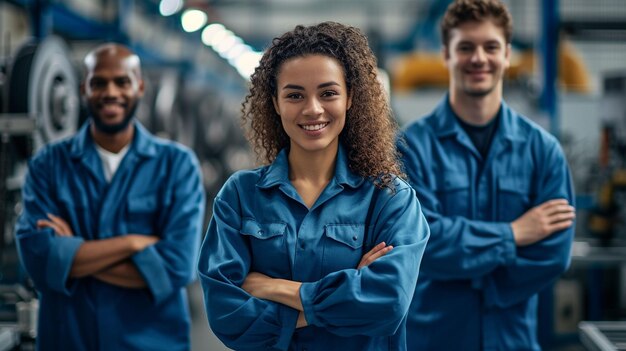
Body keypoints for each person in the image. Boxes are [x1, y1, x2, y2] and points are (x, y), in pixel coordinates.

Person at [197, 22, 429, 351]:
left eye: (328, 93)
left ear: (350, 98)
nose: (313, 109)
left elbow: (388, 303)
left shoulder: (390, 198)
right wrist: (350, 295)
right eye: (294, 95)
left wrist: (277, 288)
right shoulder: (240, 196)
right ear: (275, 103)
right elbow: (226, 314)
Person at [398, 1, 576, 350]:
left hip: (512, 340)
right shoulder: (409, 149)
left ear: (507, 54)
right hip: (434, 339)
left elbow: (554, 252)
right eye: (466, 47)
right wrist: (513, 235)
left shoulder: (543, 151)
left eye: (490, 46)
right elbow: (419, 245)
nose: (479, 58)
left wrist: (468, 273)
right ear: (446, 54)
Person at [14, 43, 205, 350]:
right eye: (98, 82)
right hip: (70, 340)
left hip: (151, 342)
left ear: (140, 87)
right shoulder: (48, 163)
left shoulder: (177, 165)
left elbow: (177, 266)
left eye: (122, 82)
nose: (110, 92)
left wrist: (71, 257)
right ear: (83, 89)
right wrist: (132, 244)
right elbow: (40, 262)